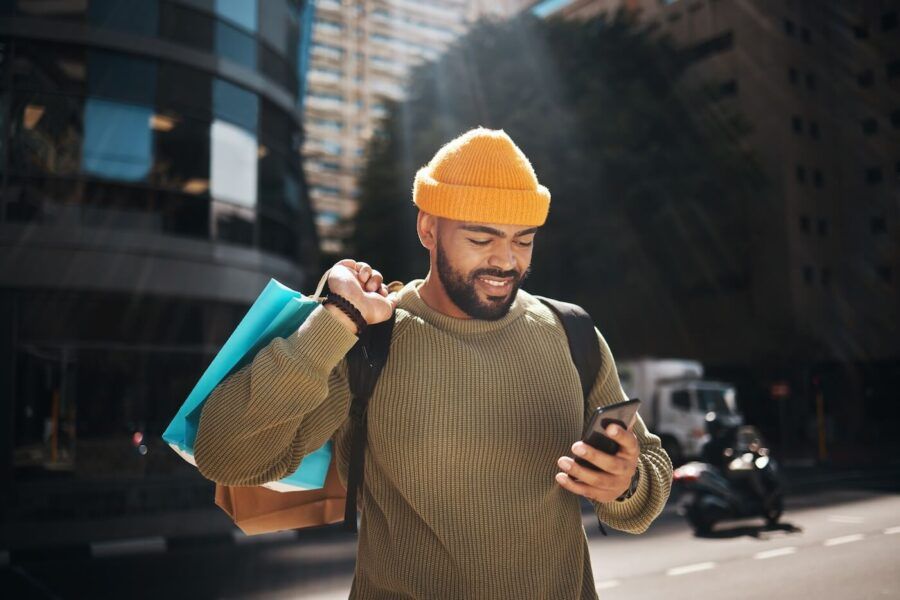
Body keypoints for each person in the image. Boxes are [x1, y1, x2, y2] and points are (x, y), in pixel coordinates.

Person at [194, 127, 673, 599]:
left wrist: (627, 482)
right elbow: (227, 457)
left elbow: (650, 469)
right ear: (428, 228)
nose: (506, 262)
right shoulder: (370, 337)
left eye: (522, 240)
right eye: (482, 239)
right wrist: (335, 323)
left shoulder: (572, 332)